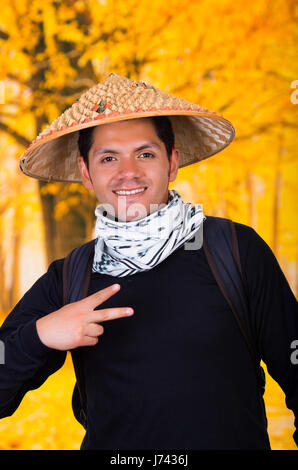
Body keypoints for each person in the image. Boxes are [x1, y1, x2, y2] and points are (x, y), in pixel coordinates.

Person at [0, 73, 297, 450]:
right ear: (86, 173)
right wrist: (40, 334)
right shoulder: (69, 276)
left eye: (145, 153)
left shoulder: (234, 250)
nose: (129, 172)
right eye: (109, 158)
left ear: (171, 163)